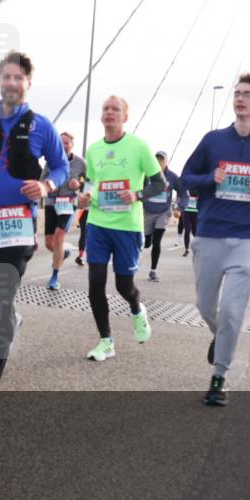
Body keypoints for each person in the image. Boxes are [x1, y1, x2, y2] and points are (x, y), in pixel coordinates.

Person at [0, 51, 68, 410]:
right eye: (7, 77)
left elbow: (60, 167)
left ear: (28, 84)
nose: (12, 83)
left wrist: (46, 187)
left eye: (19, 78)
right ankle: (9, 320)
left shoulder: (42, 125)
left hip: (17, 222)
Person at [179, 73, 250, 407]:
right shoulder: (213, 140)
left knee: (232, 311)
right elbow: (186, 178)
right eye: (238, 93)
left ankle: (219, 377)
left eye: (248, 94)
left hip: (248, 237)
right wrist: (210, 179)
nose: (241, 98)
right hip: (210, 233)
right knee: (205, 306)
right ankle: (221, 337)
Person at [78, 96, 166, 363]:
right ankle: (106, 341)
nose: (109, 112)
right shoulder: (93, 150)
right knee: (95, 285)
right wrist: (84, 196)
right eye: (105, 108)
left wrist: (137, 194)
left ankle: (137, 309)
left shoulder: (139, 146)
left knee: (123, 285)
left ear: (125, 117)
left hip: (127, 227)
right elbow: (91, 183)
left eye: (115, 109)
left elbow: (159, 183)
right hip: (98, 224)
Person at [42, 132, 85, 290]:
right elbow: (42, 179)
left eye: (66, 142)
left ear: (72, 144)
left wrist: (78, 184)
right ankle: (62, 253)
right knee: (48, 243)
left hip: (68, 203)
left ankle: (55, 277)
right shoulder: (50, 161)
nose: (63, 145)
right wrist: (48, 184)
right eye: (61, 143)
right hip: (51, 203)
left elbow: (87, 179)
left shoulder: (80, 162)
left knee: (59, 236)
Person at [142, 150, 183, 282]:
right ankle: (149, 236)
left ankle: (153, 271)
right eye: (157, 159)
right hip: (148, 211)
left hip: (163, 212)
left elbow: (183, 194)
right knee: (147, 243)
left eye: (161, 160)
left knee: (157, 241)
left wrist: (179, 208)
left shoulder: (172, 177)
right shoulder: (146, 175)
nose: (159, 162)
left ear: (166, 161)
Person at [178, 188, 199, 257]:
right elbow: (179, 198)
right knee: (187, 230)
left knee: (194, 231)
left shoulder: (199, 189)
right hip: (186, 212)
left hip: (196, 212)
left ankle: (198, 248)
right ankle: (187, 249)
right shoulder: (185, 189)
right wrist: (178, 208)